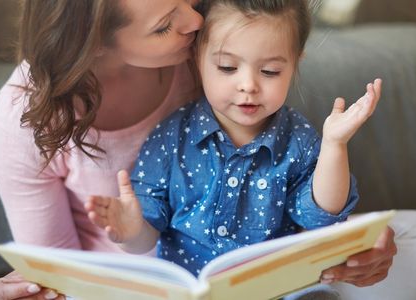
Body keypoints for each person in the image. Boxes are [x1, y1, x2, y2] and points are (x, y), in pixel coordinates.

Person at [0, 0, 416, 299]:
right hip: (146, 280)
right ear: (94, 38)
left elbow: (313, 212)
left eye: (188, 2)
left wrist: (356, 249)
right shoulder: (28, 118)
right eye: (167, 24)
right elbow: (56, 273)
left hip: (274, 268)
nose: (195, 20)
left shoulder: (210, 45)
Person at [85, 0, 377, 275]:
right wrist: (131, 231)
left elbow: (320, 217)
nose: (248, 85)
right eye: (228, 68)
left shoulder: (298, 140)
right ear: (197, 57)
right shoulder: (170, 138)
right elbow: (145, 239)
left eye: (270, 71)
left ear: (295, 63)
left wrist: (334, 145)